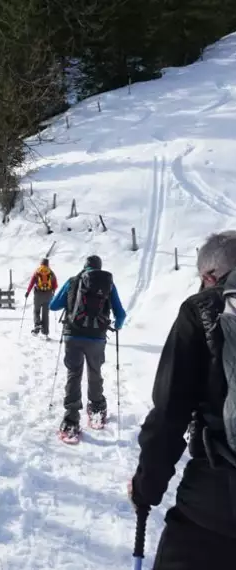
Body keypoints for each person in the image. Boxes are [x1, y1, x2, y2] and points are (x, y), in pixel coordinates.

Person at [129, 231, 236, 569]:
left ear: (209, 276)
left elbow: (170, 412)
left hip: (216, 503)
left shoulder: (203, 309)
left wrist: (146, 488)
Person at [49, 255, 126, 439]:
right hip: (97, 337)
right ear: (99, 268)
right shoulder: (108, 284)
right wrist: (116, 325)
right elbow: (120, 314)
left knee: (74, 374)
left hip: (73, 334)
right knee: (94, 372)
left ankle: (71, 420)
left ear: (84, 267)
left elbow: (53, 306)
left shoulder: (73, 281)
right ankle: (97, 408)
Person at [25, 258, 58, 338]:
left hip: (38, 295)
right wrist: (52, 291)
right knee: (45, 314)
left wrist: (28, 292)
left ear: (41, 264)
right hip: (48, 295)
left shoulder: (37, 271)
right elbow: (55, 285)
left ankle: (37, 326)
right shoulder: (51, 272)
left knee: (36, 311)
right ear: (47, 264)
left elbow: (32, 283)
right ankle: (45, 333)